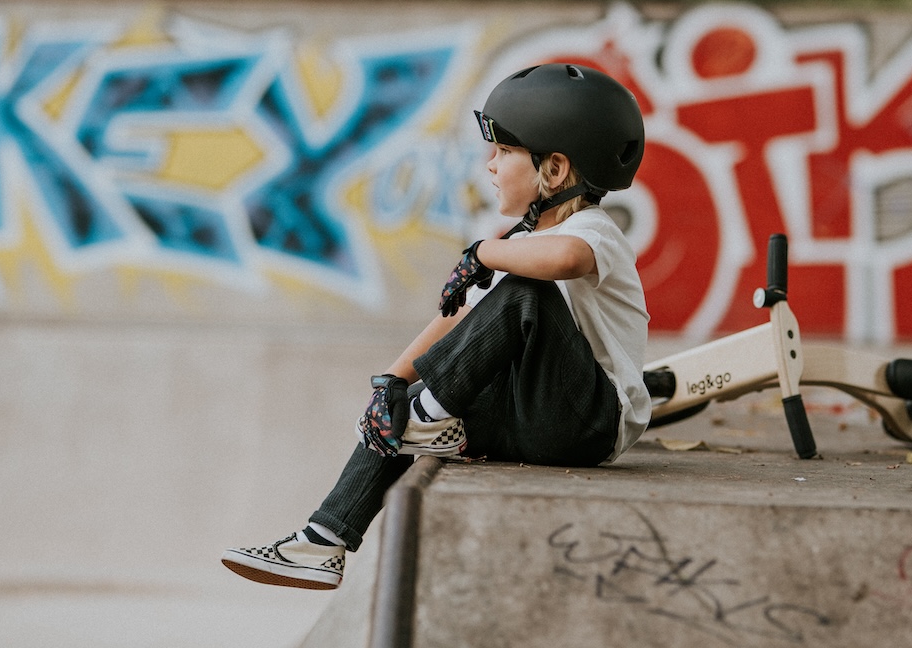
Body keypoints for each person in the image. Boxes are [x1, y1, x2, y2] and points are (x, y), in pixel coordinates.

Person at [221, 63, 650, 590]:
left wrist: (484, 252)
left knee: (522, 294)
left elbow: (565, 261)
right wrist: (392, 383)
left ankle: (427, 416)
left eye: (504, 152)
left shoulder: (593, 231)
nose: (489, 165)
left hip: (591, 422)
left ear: (555, 170)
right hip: (533, 414)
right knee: (401, 406)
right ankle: (322, 540)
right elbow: (461, 319)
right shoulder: (518, 249)